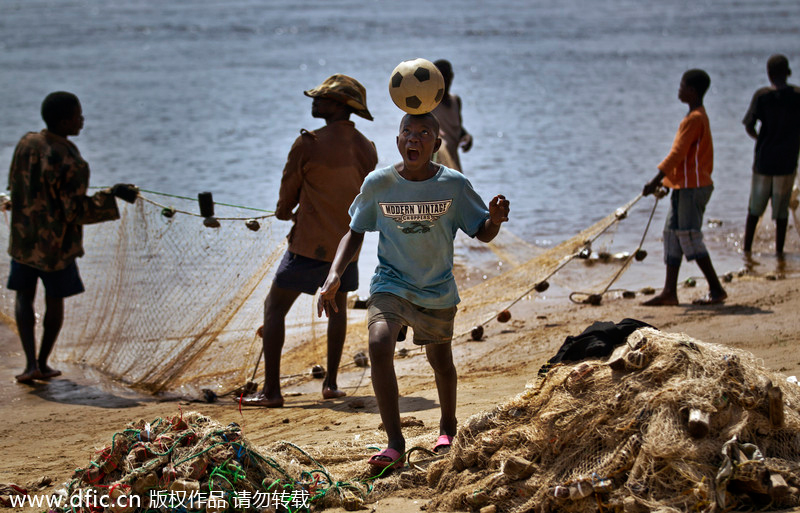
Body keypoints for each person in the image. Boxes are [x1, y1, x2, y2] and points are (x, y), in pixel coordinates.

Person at [317, 112, 510, 470]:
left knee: (440, 362)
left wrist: (494, 220)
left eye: (424, 133)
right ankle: (394, 442)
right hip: (391, 283)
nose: (414, 139)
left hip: (436, 289)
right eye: (407, 132)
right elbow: (354, 231)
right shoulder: (379, 184)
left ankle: (448, 426)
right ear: (398, 141)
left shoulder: (453, 185)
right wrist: (333, 275)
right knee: (378, 344)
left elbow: (480, 231)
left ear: (436, 145)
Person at [243, 75, 378, 407]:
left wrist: (283, 210)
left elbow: (286, 198)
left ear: (339, 106)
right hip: (347, 249)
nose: (314, 103)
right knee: (337, 308)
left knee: (274, 308)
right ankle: (331, 384)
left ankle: (272, 392)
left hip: (307, 247)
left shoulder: (307, 143)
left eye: (321, 99)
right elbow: (369, 198)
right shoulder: (366, 147)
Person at [7, 91, 138, 383]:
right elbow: (75, 212)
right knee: (55, 302)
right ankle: (43, 362)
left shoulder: (26, 144)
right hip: (55, 248)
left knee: (23, 298)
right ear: (65, 121)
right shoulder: (71, 160)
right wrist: (112, 195)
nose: (82, 120)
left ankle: (30, 365)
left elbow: (14, 185)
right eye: (79, 115)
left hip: (23, 241)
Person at [642, 69, 727, 306]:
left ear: (692, 90)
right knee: (671, 235)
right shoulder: (693, 116)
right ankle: (670, 292)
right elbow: (685, 158)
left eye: (682, 86)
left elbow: (677, 154)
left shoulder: (695, 119)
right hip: (684, 187)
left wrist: (656, 180)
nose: (679, 89)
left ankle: (717, 289)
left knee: (689, 236)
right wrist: (670, 183)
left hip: (694, 187)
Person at [742, 54, 800, 255]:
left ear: (769, 74)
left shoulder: (762, 96)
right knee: (781, 211)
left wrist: (760, 139)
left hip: (764, 161)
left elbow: (749, 125)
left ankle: (746, 250)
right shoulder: (797, 95)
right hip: (787, 161)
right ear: (788, 72)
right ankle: (779, 252)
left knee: (754, 209)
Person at [431, 59, 472, 172]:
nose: (444, 82)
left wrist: (467, 137)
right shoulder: (428, 104)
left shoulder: (455, 101)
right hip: (437, 163)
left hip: (453, 159)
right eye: (440, 78)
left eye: (447, 77)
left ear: (452, 77)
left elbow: (457, 128)